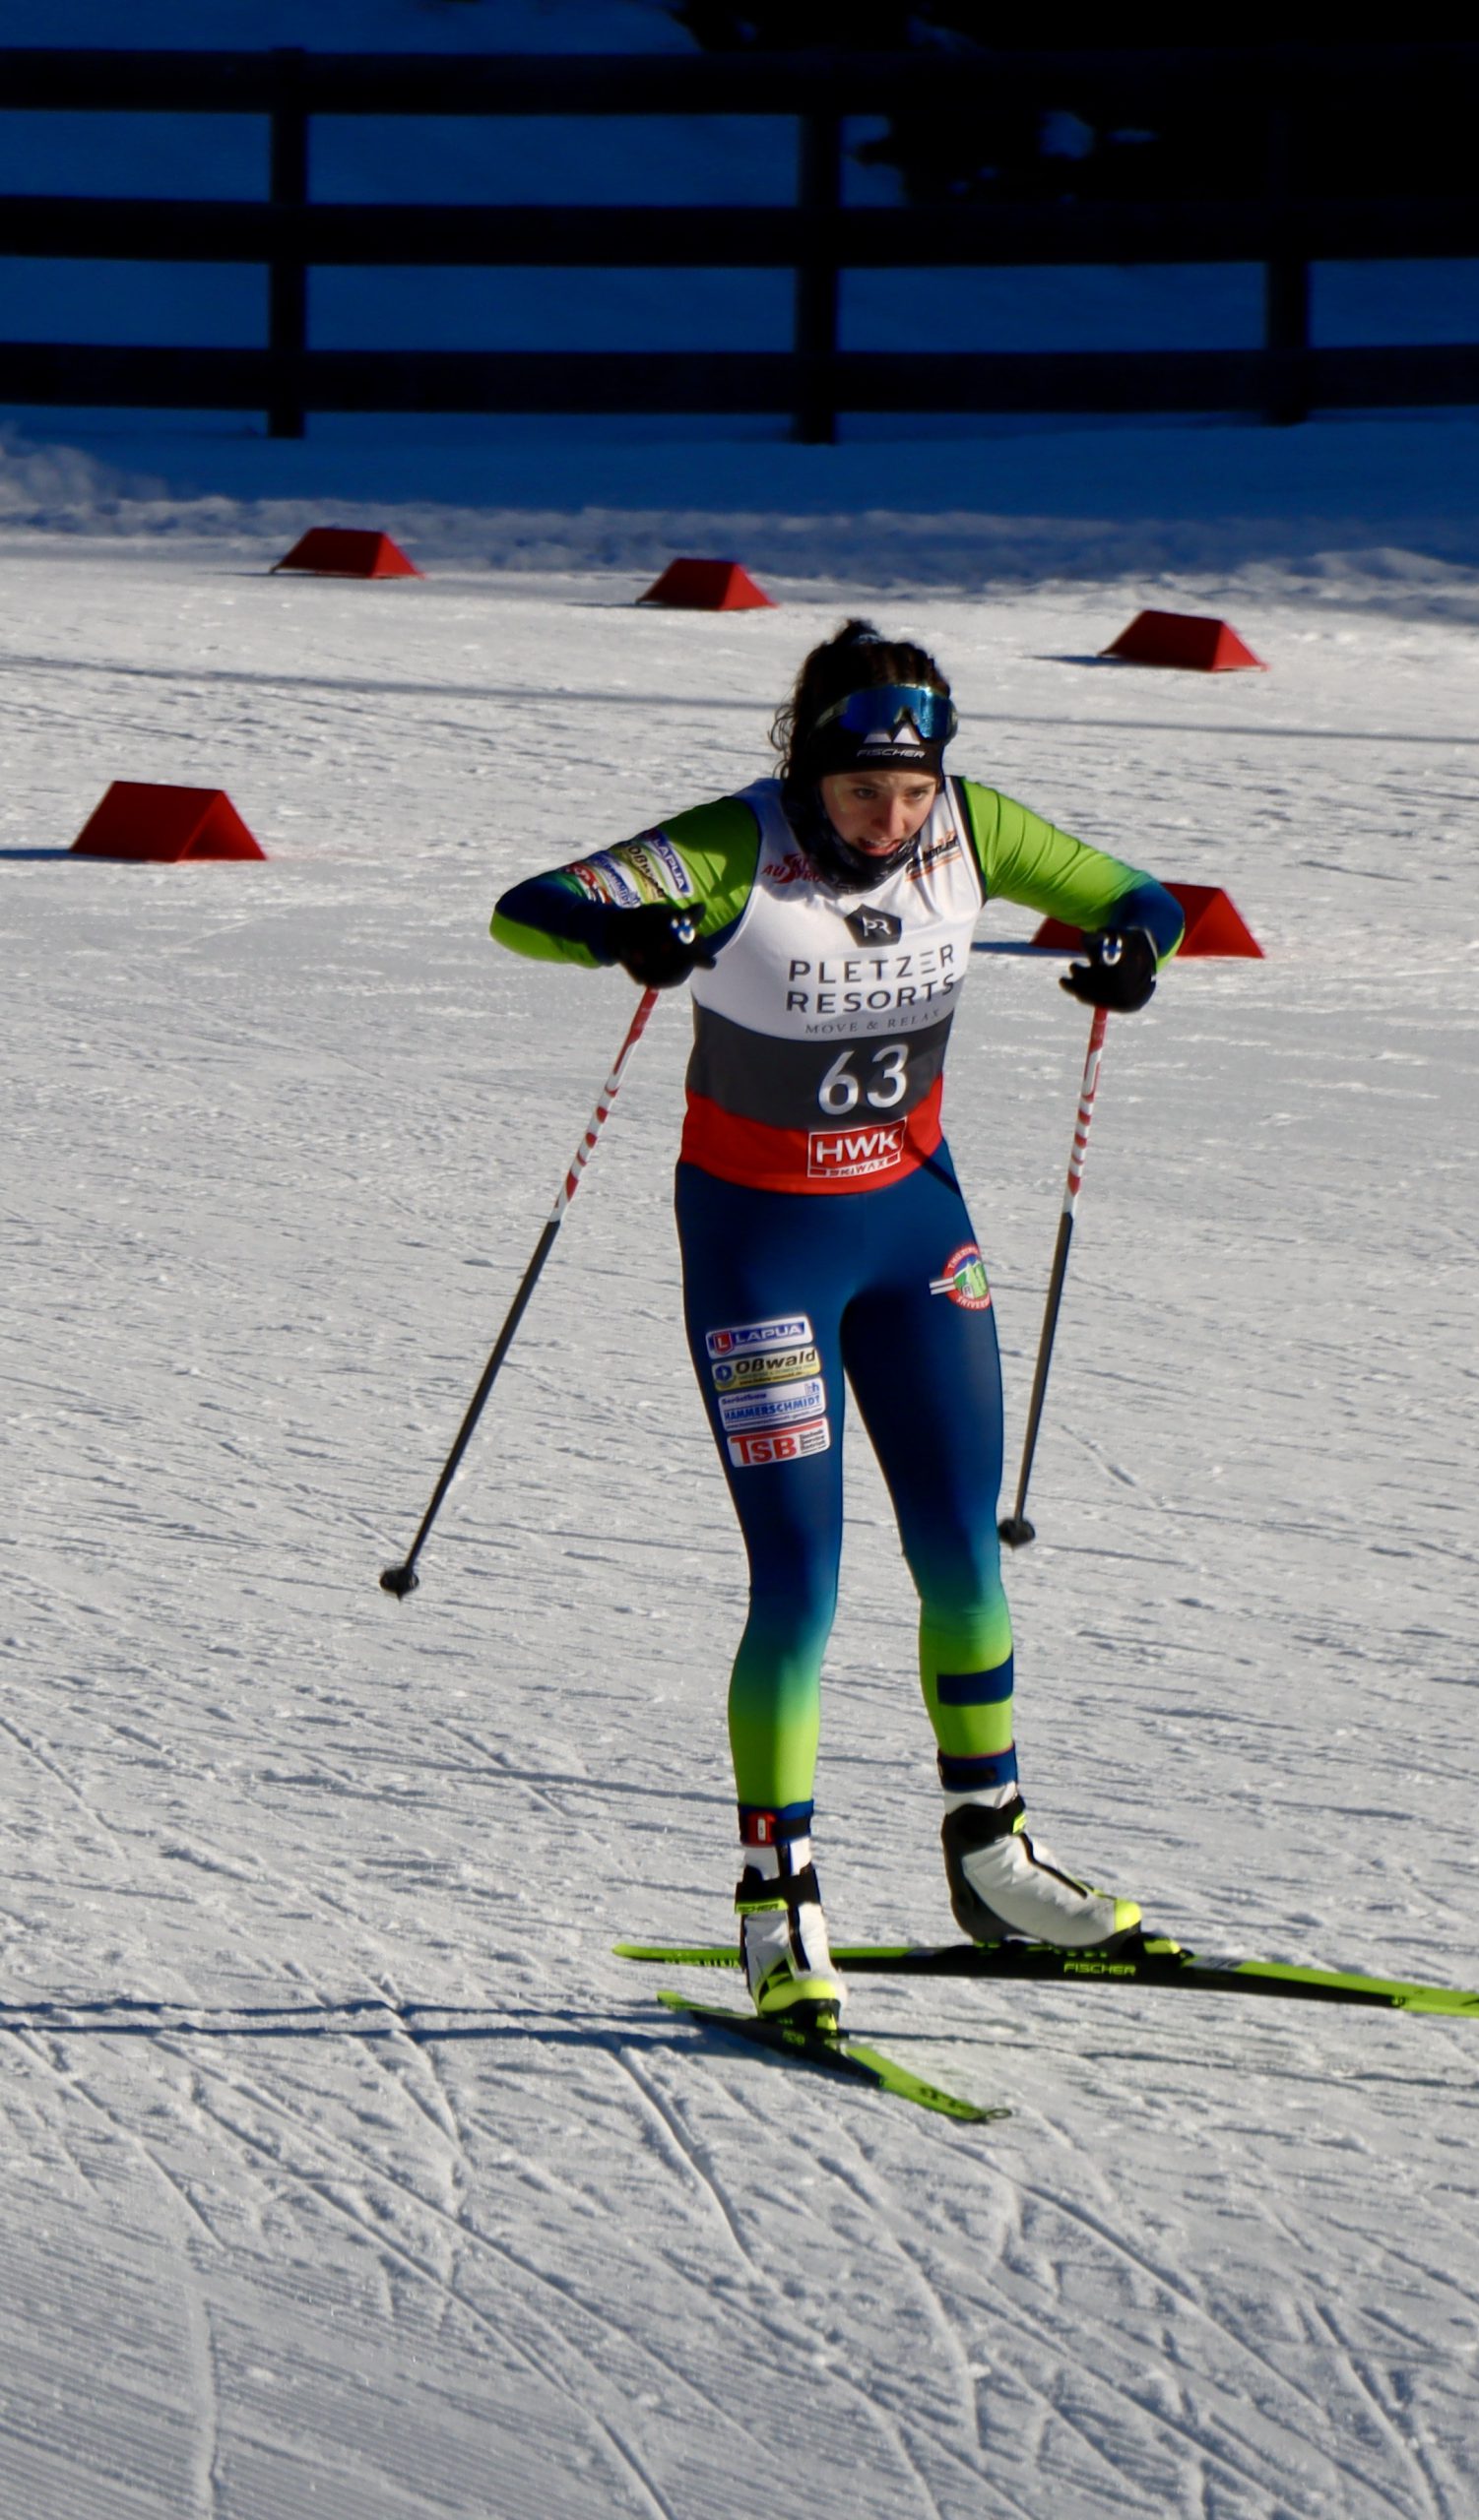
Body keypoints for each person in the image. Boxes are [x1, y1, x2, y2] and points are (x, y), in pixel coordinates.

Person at [491, 620, 1185, 2030]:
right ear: (808, 766)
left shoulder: (973, 829)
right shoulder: (733, 843)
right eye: (865, 790)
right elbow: (526, 907)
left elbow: (1141, 896)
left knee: (964, 1558)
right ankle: (778, 1901)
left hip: (916, 1234)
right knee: (800, 1582)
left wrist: (1132, 948)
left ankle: (993, 1858)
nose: (893, 819)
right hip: (763, 1255)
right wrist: (623, 929)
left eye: (915, 790)